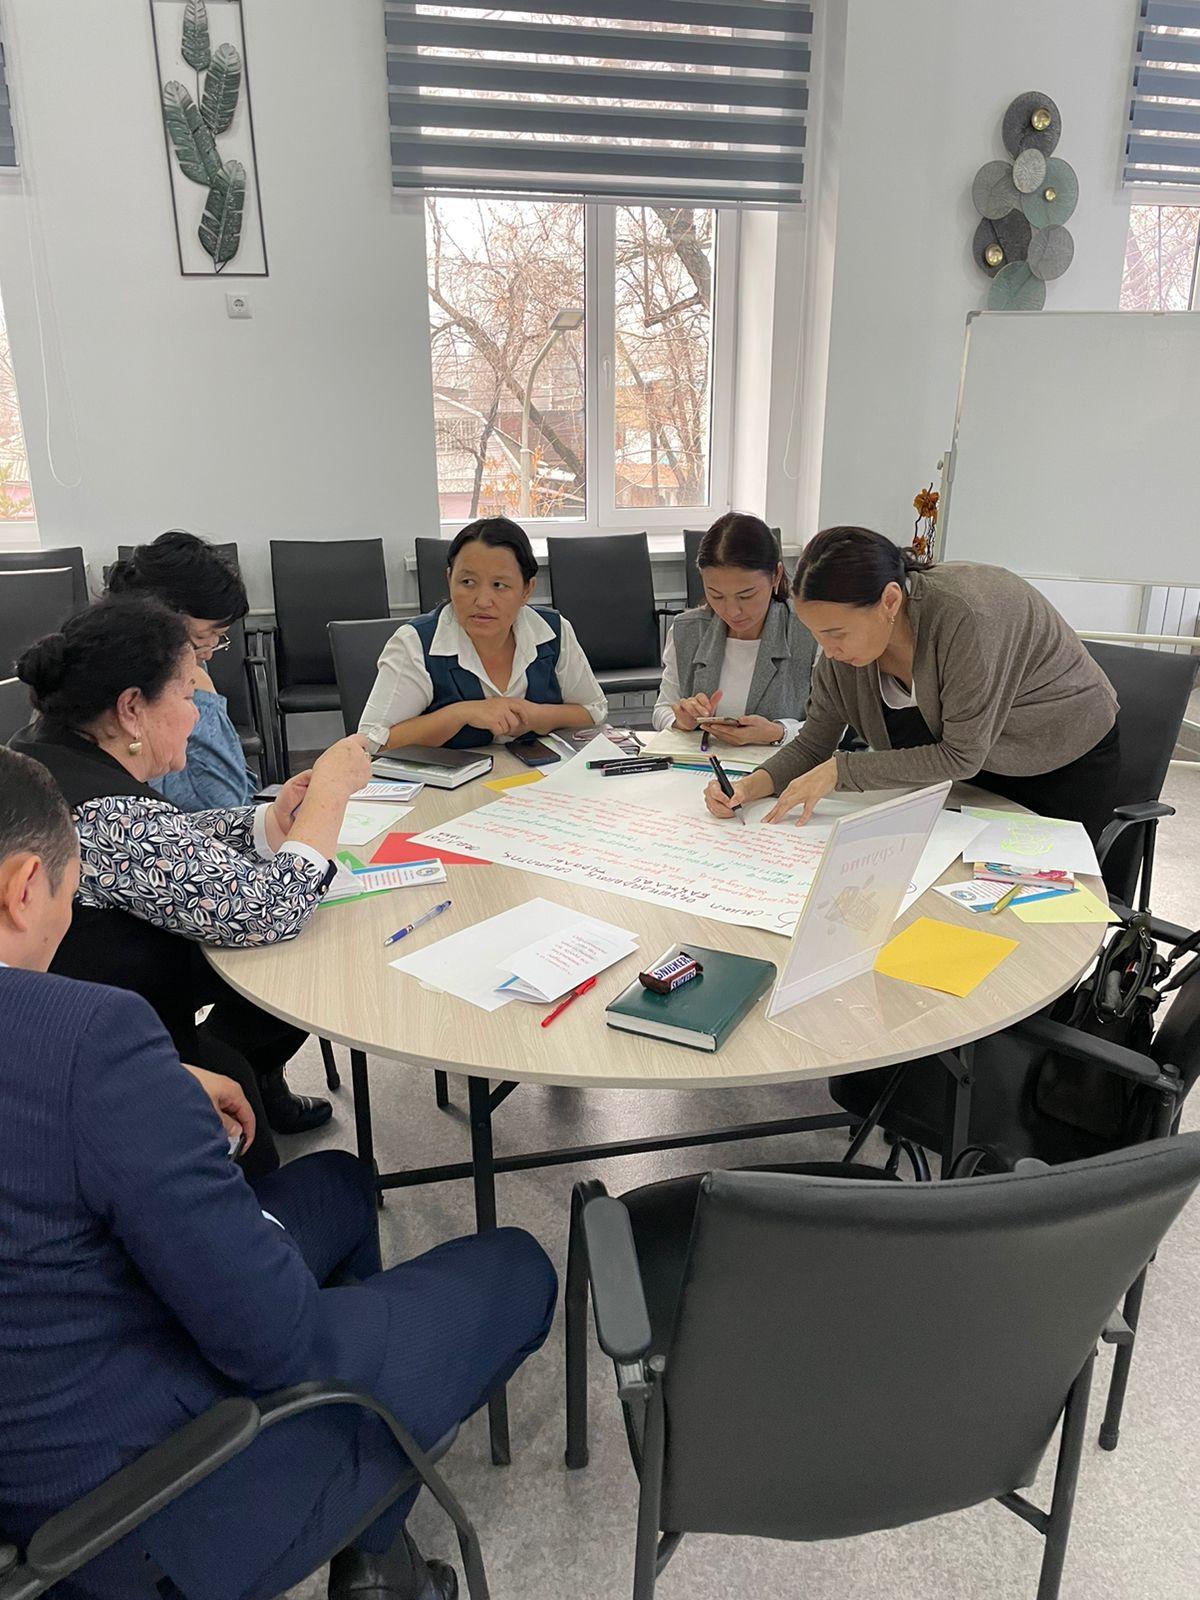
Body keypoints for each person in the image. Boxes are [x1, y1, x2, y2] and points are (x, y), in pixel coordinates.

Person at [0, 745, 557, 1600]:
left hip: (58, 1368)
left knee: (340, 1185)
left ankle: (374, 1547)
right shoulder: (84, 1038)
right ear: (22, 888)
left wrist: (158, 1089)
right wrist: (138, 1094)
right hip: (133, 1503)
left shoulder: (74, 1057)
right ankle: (352, 1504)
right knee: (517, 1265)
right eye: (71, 897)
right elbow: (273, 1339)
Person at [10, 597, 372, 1161]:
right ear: (132, 709)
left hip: (92, 1022)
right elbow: (269, 910)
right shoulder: (105, 816)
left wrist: (268, 822)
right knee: (297, 963)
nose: (196, 716)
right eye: (185, 695)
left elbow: (166, 839)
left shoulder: (46, 753)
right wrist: (329, 796)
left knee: (280, 986)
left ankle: (249, 1079)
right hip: (114, 1065)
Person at [705, 526, 1121, 839]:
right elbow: (814, 743)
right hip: (978, 767)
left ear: (889, 601)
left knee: (1049, 903)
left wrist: (841, 770)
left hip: (1062, 754)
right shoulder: (846, 650)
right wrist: (749, 786)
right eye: (817, 635)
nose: (827, 652)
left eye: (835, 634)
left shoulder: (966, 619)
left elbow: (960, 755)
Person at [359, 516, 607, 752]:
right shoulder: (414, 643)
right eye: (467, 582)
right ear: (449, 579)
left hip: (539, 776)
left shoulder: (552, 631)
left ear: (527, 589)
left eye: (499, 585)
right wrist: (460, 714)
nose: (482, 601)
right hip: (448, 783)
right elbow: (372, 742)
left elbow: (594, 710)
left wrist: (538, 716)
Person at [106, 530, 258, 811]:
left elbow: (242, 784)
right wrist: (202, 697)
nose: (209, 651)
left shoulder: (172, 661)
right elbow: (223, 805)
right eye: (205, 636)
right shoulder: (134, 687)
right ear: (163, 618)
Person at [652, 513, 814, 748]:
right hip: (705, 764)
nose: (732, 611)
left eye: (746, 595)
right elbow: (662, 710)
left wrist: (778, 732)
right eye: (716, 595)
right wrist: (680, 720)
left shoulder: (808, 630)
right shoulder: (687, 630)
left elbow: (832, 729)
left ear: (776, 575)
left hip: (782, 766)